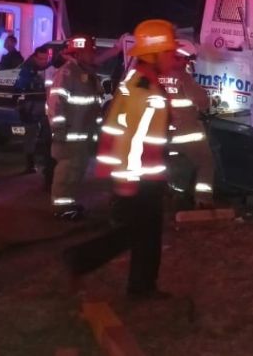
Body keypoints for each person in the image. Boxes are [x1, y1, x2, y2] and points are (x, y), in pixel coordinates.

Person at [64, 19, 181, 299]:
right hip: (138, 176)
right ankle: (80, 259)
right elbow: (131, 138)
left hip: (141, 174)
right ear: (154, 55)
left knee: (146, 233)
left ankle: (141, 287)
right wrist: (127, 180)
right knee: (136, 232)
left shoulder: (137, 81)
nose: (173, 58)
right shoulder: (145, 90)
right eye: (169, 52)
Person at [47, 36, 103, 219]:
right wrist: (59, 129)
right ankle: (62, 209)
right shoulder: (67, 73)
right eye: (90, 51)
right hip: (70, 134)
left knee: (75, 171)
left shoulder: (83, 72)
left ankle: (68, 203)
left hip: (81, 134)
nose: (94, 54)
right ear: (78, 53)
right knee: (67, 172)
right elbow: (56, 103)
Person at [159, 38, 214, 209]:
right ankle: (203, 200)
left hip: (165, 133)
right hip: (187, 133)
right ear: (181, 58)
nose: (189, 63)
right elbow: (202, 101)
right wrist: (212, 101)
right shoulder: (183, 77)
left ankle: (176, 195)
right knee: (206, 163)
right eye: (188, 59)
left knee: (178, 164)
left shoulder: (160, 76)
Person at [15, 45, 54, 185]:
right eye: (41, 58)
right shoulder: (26, 69)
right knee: (31, 135)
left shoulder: (49, 66)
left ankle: (45, 165)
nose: (44, 61)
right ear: (35, 56)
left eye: (46, 58)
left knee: (47, 136)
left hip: (44, 105)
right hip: (31, 106)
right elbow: (20, 86)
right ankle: (30, 164)